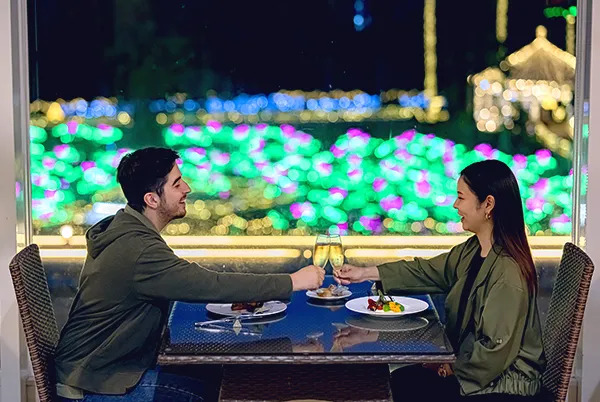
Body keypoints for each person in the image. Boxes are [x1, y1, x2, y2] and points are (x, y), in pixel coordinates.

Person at [54, 147, 325, 401]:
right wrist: (292, 281)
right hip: (96, 384)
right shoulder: (138, 249)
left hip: (103, 369)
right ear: (151, 199)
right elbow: (208, 284)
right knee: (219, 392)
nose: (187, 188)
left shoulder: (126, 228)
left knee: (220, 376)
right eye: (176, 183)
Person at [334, 160, 546, 401]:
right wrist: (365, 273)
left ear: (488, 204)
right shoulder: (473, 250)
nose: (456, 205)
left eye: (461, 198)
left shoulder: (508, 271)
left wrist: (447, 368)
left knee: (403, 386)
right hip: (475, 371)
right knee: (397, 381)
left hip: (504, 386)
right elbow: (427, 271)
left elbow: (493, 351)